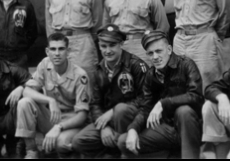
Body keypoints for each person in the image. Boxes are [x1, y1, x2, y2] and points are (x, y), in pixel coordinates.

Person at [117, 30, 203, 159]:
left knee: (183, 111)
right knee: (124, 141)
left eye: (159, 51)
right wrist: (133, 129)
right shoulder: (150, 75)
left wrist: (163, 103)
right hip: (168, 129)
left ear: (169, 49)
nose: (155, 57)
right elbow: (146, 108)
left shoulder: (186, 65)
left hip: (190, 128)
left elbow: (195, 96)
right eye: (150, 53)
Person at [72, 24, 148, 157]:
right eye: (103, 46)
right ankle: (111, 153)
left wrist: (112, 112)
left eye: (112, 45)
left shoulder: (136, 65)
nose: (107, 51)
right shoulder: (99, 70)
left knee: (120, 110)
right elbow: (95, 103)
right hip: (109, 121)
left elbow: (146, 98)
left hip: (133, 118)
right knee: (79, 141)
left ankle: (126, 152)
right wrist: (103, 127)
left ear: (121, 44)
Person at [15, 33, 90, 159]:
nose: (57, 53)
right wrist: (50, 100)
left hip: (71, 122)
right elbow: (27, 91)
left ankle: (71, 153)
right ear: (47, 51)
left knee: (60, 143)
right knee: (25, 102)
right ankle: (31, 151)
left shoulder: (80, 76)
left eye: (61, 49)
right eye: (53, 49)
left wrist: (59, 127)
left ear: (68, 51)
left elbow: (82, 116)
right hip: (53, 116)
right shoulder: (45, 64)